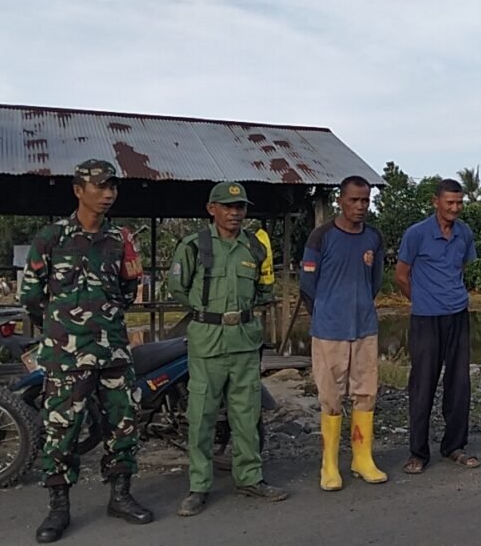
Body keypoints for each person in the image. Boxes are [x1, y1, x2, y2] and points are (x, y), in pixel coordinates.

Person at [21, 159, 153, 543]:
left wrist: (103, 319)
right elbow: (31, 296)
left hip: (113, 351)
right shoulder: (52, 238)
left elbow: (130, 289)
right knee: (62, 430)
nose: (108, 193)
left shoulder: (120, 240)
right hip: (66, 355)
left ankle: (121, 495)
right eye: (100, 186)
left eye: (112, 186)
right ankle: (58, 508)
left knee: (123, 423)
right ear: (78, 190)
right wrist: (63, 328)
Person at [168, 181, 288, 516]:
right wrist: (207, 313)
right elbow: (177, 288)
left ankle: (250, 477)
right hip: (208, 341)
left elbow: (264, 290)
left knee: (247, 413)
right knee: (202, 415)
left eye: (240, 208)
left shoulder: (254, 247)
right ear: (212, 209)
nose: (235, 213)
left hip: (244, 341)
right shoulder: (195, 246)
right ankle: (198, 486)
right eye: (227, 206)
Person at [299, 175, 387, 491]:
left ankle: (362, 458)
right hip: (329, 329)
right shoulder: (321, 236)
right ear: (341, 200)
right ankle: (330, 464)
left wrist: (360, 304)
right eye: (354, 200)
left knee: (366, 391)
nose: (361, 206)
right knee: (331, 396)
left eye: (365, 200)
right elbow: (307, 285)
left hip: (364, 326)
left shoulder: (374, 237)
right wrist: (326, 311)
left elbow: (375, 281)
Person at [395, 179, 480, 474]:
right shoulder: (416, 234)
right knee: (422, 384)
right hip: (426, 319)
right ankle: (418, 452)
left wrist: (450, 296)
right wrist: (421, 300)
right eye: (449, 203)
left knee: (459, 384)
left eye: (459, 203)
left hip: (458, 314)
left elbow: (461, 269)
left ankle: (454, 446)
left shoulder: (464, 232)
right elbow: (402, 275)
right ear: (436, 202)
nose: (455, 208)